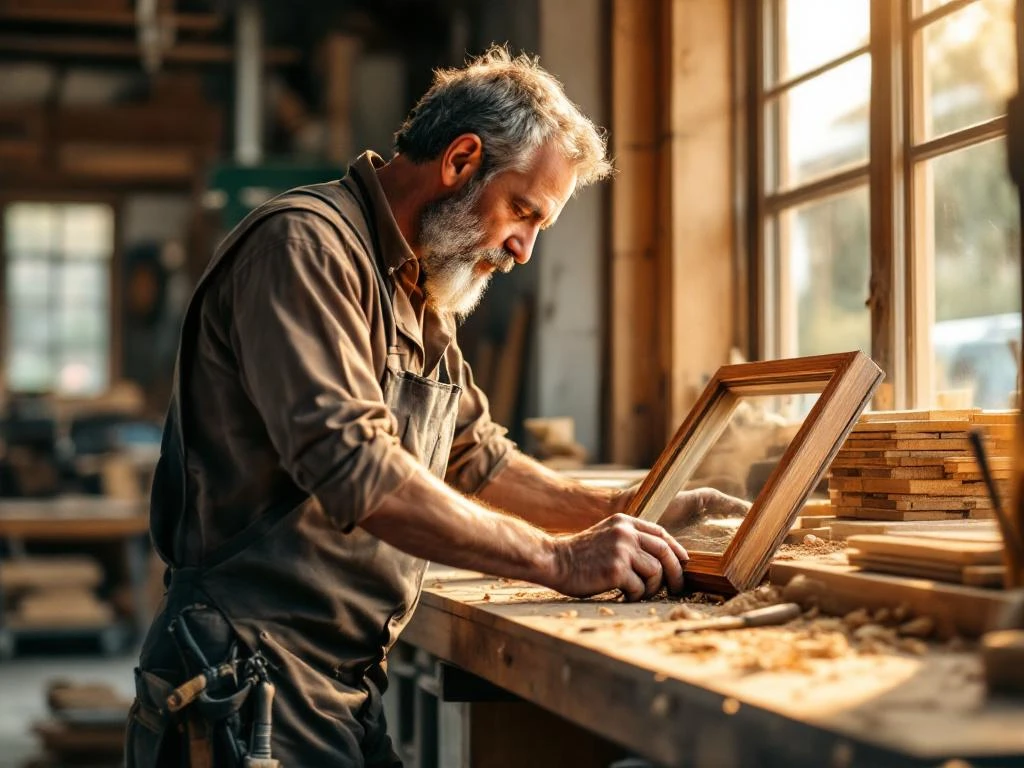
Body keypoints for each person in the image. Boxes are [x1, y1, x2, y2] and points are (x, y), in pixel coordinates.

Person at [126, 46, 746, 767]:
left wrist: (637, 508)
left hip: (336, 682)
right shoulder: (305, 247)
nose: (522, 250)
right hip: (246, 677)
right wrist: (557, 559)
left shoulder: (418, 290)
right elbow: (355, 468)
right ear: (459, 161)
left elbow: (472, 458)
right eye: (523, 212)